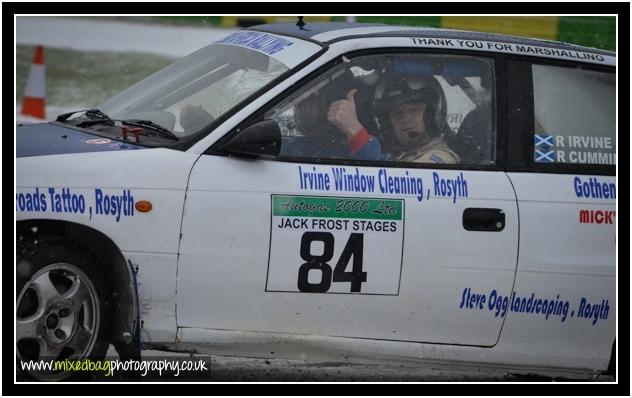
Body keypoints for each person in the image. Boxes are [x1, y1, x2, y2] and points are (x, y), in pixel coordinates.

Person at [327, 75, 460, 164]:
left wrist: (355, 131)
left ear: (432, 114)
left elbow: (398, 185)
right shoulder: (403, 155)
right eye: (397, 113)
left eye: (414, 110)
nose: (405, 119)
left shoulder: (441, 159)